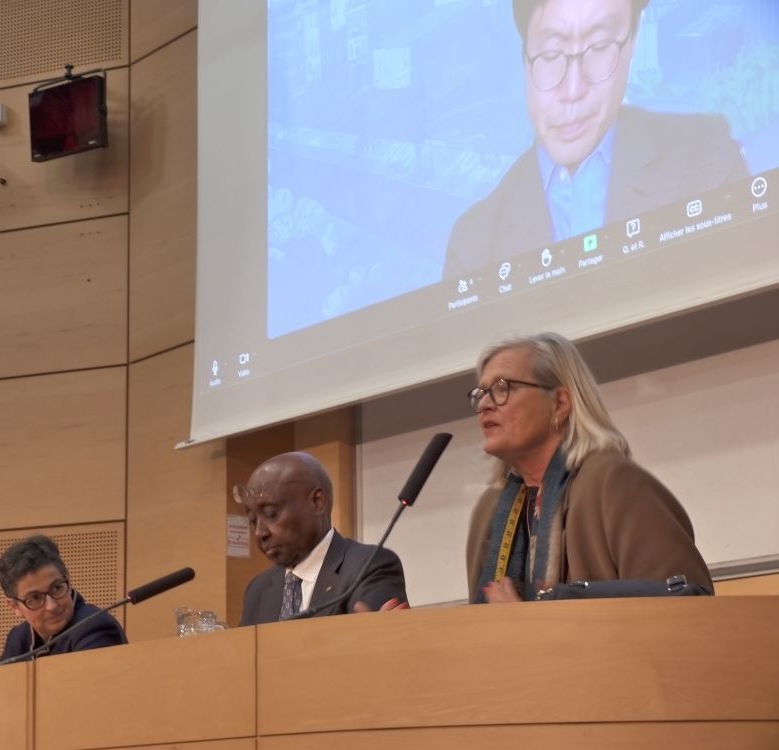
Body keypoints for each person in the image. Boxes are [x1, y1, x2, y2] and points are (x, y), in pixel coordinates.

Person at [444, 0, 748, 278]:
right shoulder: (474, 244)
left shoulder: (706, 160)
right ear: (525, 59)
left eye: (600, 46)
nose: (573, 88)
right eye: (550, 55)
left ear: (632, 44)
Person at [465, 332, 713, 603]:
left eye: (503, 388)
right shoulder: (489, 510)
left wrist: (533, 626)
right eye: (481, 393)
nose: (485, 405)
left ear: (559, 403)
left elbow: (688, 606)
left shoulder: (615, 483)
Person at [236, 451, 408, 625]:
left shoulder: (369, 567)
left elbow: (376, 644)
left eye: (271, 514)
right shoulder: (258, 589)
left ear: (317, 502)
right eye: (252, 521)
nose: (259, 532)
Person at [0, 535, 126, 662]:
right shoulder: (18, 639)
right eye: (35, 598)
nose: (52, 606)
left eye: (57, 588)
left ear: (67, 579)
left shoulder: (94, 626)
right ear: (14, 606)